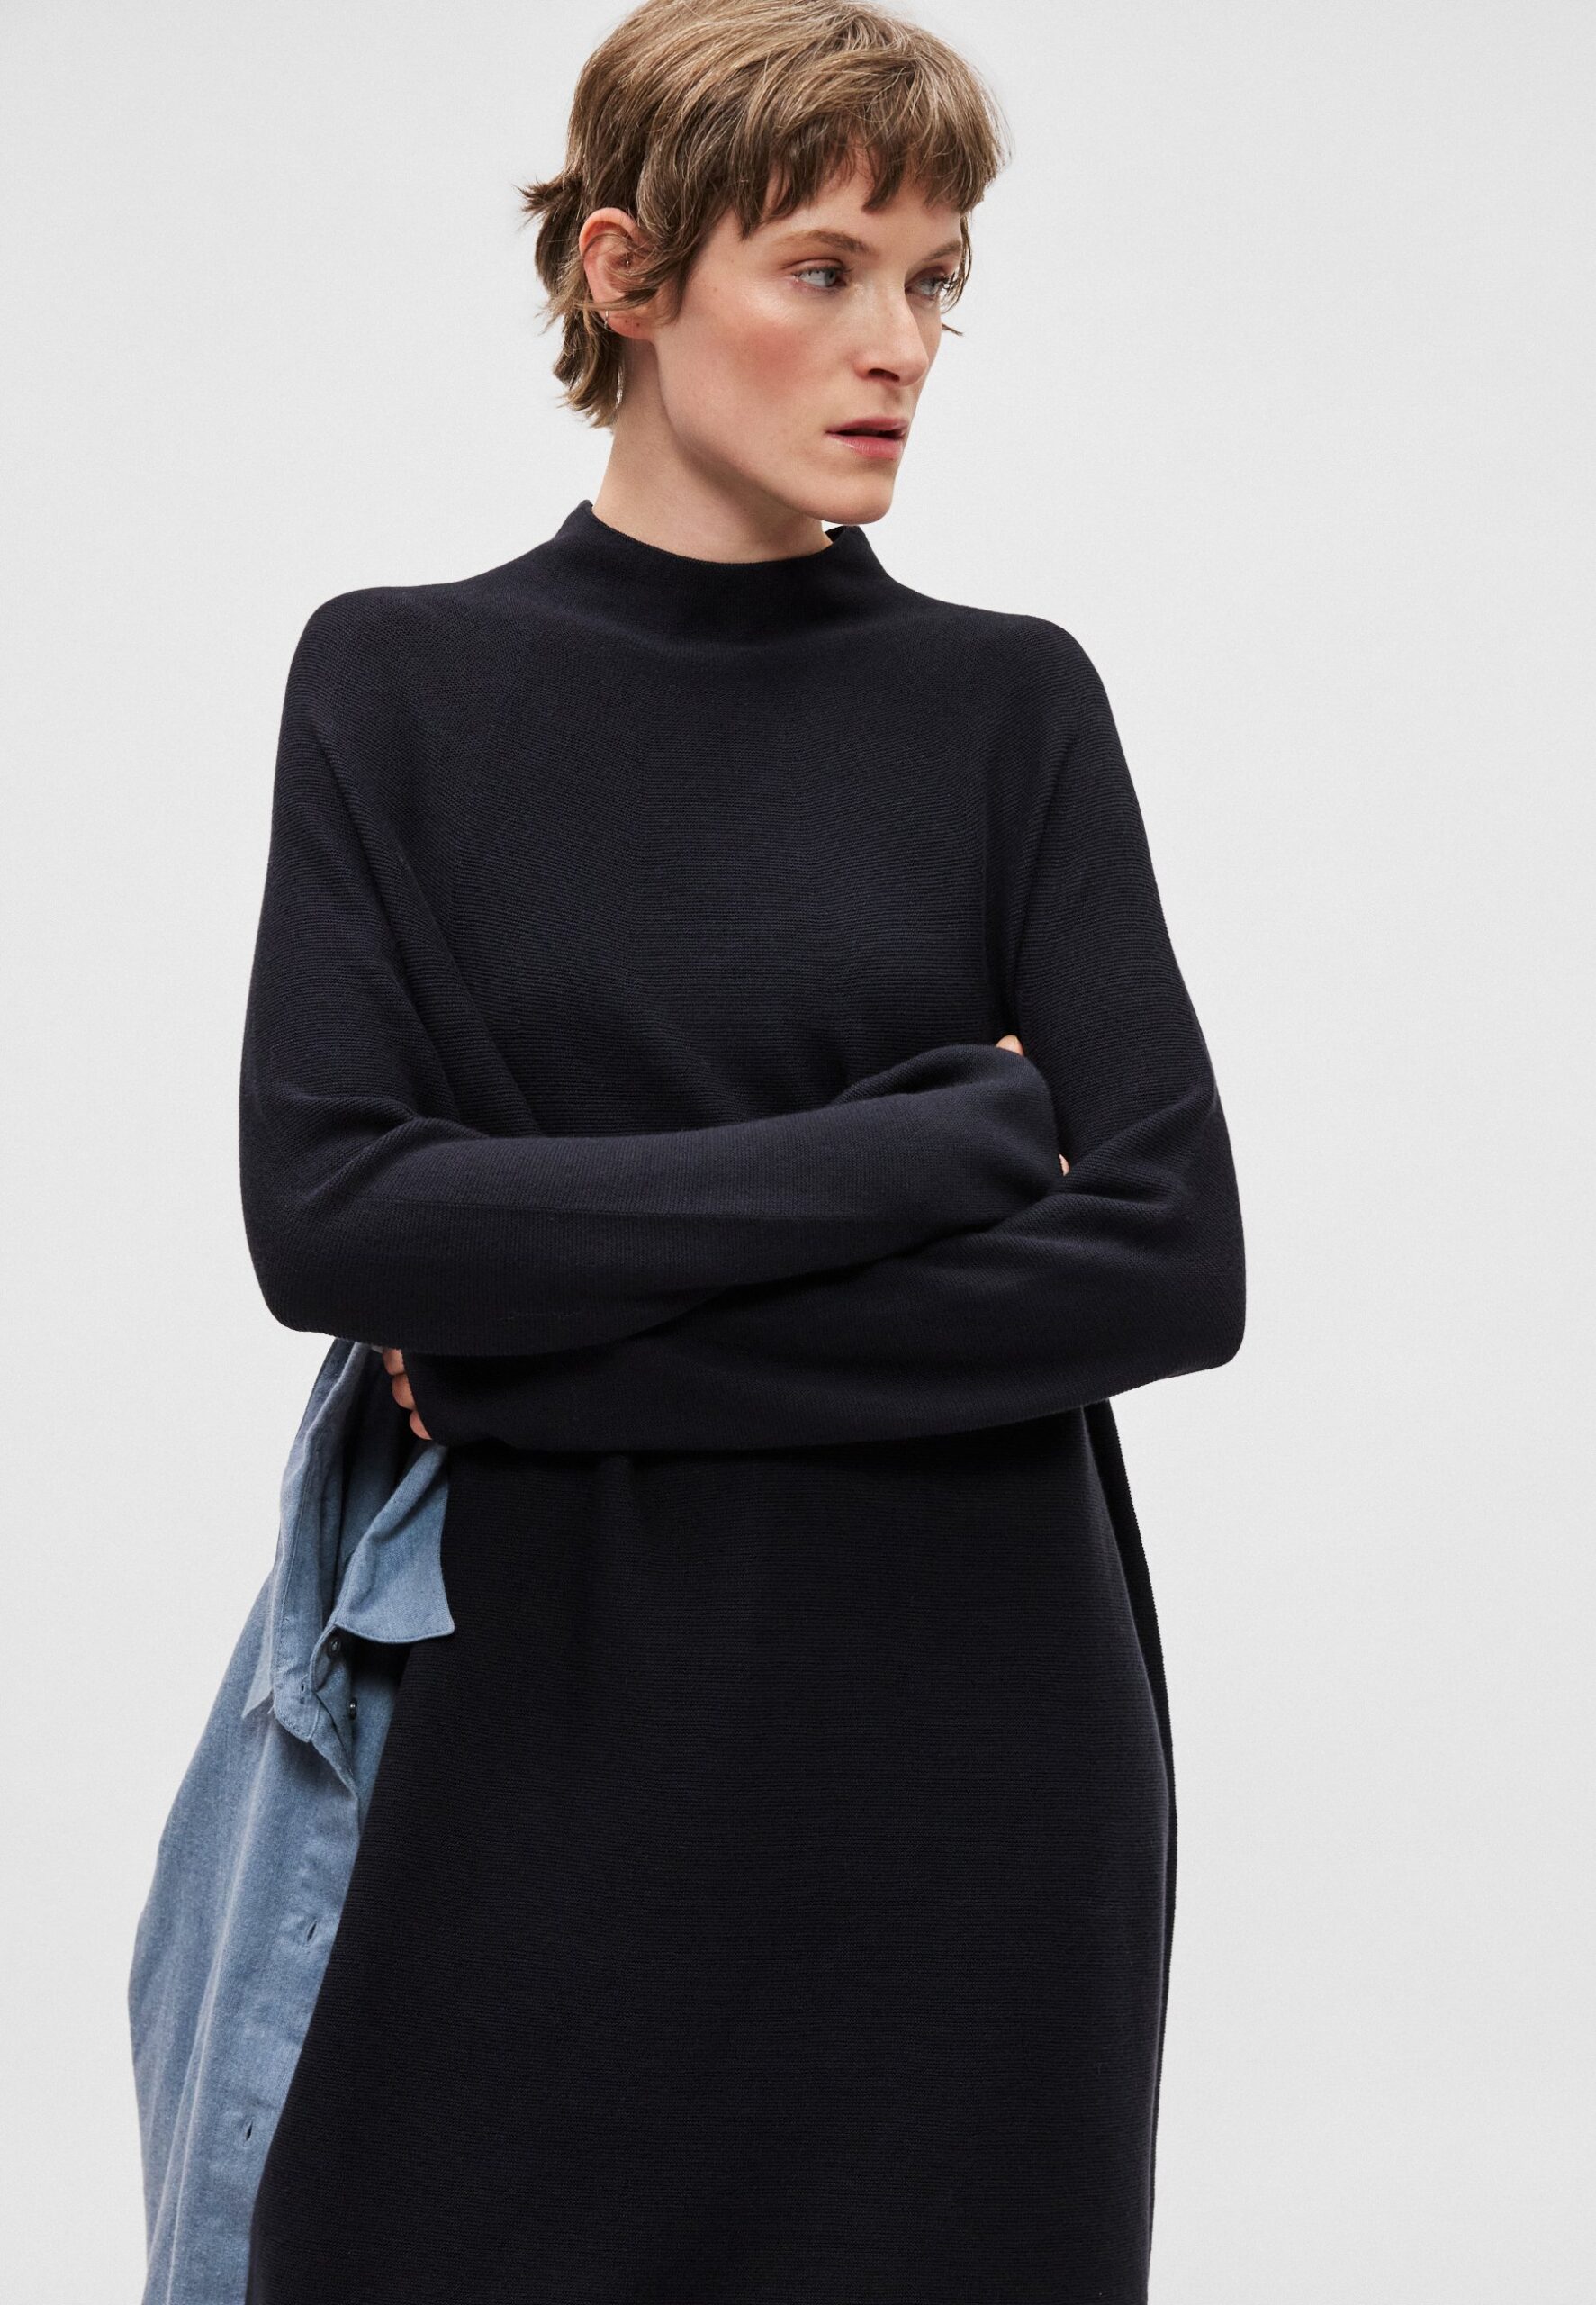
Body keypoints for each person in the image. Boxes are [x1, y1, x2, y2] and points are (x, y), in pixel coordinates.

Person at [239, 1, 1246, 2297]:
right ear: (625, 271)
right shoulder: (397, 684)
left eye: (933, 280)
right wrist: (946, 1136)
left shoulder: (1004, 704)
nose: (898, 342)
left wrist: (527, 1365)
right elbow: (336, 1217)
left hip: (979, 1761)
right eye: (823, 268)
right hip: (541, 1735)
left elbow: (1167, 1262)